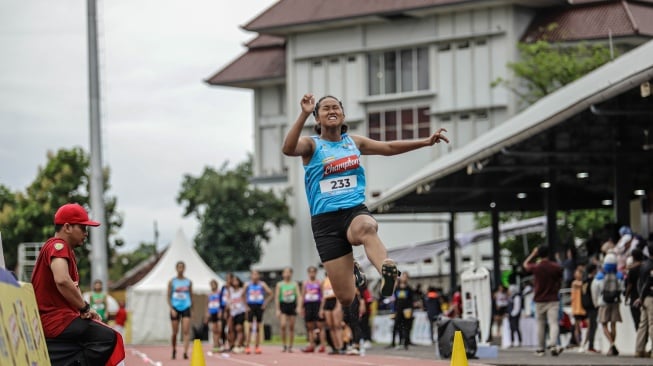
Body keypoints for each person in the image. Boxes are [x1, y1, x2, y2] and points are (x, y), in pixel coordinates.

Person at [282, 94, 449, 306]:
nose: (332, 111)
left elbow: (388, 148)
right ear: (317, 118)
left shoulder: (354, 142)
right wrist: (303, 114)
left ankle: (386, 273)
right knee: (346, 297)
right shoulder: (311, 145)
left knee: (368, 227)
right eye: (325, 108)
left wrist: (425, 142)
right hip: (325, 222)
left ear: (343, 115)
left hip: (354, 211)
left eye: (336, 108)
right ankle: (353, 269)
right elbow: (288, 149)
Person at [31, 203, 118, 365]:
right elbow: (62, 280)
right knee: (107, 337)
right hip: (55, 321)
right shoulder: (58, 246)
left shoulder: (62, 249)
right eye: (83, 228)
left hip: (59, 320)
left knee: (98, 334)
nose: (86, 233)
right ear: (67, 227)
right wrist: (84, 307)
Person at [523, 245, 563, 356]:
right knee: (553, 323)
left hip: (539, 299)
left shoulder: (537, 267)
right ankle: (553, 344)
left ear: (539, 255)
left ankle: (541, 349)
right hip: (552, 299)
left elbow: (525, 265)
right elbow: (560, 277)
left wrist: (533, 254)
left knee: (540, 324)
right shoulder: (555, 267)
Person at [592, 251, 623, 356]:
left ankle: (612, 344)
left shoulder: (600, 276)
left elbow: (595, 290)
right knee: (613, 324)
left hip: (603, 302)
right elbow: (622, 288)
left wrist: (595, 302)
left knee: (604, 324)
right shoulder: (619, 275)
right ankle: (611, 347)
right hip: (615, 302)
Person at [167, 261, 192, 360]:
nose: (181, 269)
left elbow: (191, 295)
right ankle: (174, 349)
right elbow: (168, 296)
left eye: (182, 267)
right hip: (175, 308)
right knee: (175, 332)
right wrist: (172, 308)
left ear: (184, 269)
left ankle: (185, 352)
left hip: (186, 307)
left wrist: (192, 308)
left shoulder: (188, 282)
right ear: (176, 269)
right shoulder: (172, 281)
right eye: (179, 267)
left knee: (186, 331)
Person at [244, 270, 273, 355]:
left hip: (259, 307)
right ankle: (247, 346)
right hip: (251, 307)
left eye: (257, 274)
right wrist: (246, 306)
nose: (255, 276)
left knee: (258, 327)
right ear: (251, 276)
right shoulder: (247, 284)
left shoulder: (262, 284)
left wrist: (265, 304)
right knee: (249, 327)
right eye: (253, 274)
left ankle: (257, 347)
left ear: (259, 276)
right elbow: (242, 295)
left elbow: (271, 294)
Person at [301, 266, 327, 353]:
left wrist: (321, 309)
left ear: (316, 273)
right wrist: (301, 308)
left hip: (317, 305)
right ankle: (311, 345)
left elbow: (323, 296)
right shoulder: (305, 283)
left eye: (313, 272)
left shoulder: (319, 283)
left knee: (320, 327)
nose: (312, 274)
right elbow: (303, 296)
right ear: (308, 273)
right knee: (310, 327)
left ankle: (323, 345)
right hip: (308, 305)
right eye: (310, 272)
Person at [275, 267, 301, 352]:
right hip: (283, 305)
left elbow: (299, 296)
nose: (287, 274)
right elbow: (277, 297)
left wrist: (299, 307)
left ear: (291, 274)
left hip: (292, 305)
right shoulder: (280, 284)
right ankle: (284, 345)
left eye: (289, 272)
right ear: (283, 274)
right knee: (283, 325)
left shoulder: (294, 284)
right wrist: (278, 309)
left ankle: (290, 346)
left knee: (291, 326)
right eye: (285, 272)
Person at [634, 241, 653, 358]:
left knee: (643, 324)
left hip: (644, 298)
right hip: (650, 297)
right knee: (652, 323)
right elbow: (648, 283)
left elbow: (639, 282)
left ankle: (639, 349)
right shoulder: (651, 266)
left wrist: (640, 297)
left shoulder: (643, 265)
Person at [320, 273, 344, 354]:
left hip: (335, 301)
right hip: (327, 302)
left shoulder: (336, 279)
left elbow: (339, 293)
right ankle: (335, 347)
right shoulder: (324, 281)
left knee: (337, 325)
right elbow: (323, 296)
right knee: (330, 326)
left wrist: (338, 306)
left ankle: (341, 346)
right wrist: (321, 309)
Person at [390, 272, 414, 350]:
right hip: (398, 309)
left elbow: (411, 300)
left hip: (406, 310)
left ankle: (405, 343)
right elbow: (394, 300)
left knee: (406, 327)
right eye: (403, 276)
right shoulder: (397, 288)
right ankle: (394, 343)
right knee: (396, 326)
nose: (404, 278)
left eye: (406, 277)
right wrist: (394, 310)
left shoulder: (409, 289)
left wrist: (410, 310)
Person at [581, 263, 599, 353]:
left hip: (586, 305)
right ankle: (590, 346)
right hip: (592, 306)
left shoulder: (584, 281)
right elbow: (594, 294)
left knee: (590, 326)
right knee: (592, 326)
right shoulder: (593, 281)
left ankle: (587, 344)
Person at [626, 249, 645, 330]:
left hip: (634, 297)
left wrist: (626, 296)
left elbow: (629, 285)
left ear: (633, 257)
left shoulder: (632, 270)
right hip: (645, 295)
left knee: (637, 320)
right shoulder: (646, 267)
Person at [229, 276, 246, 353]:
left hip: (241, 311)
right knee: (232, 329)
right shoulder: (231, 291)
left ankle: (238, 344)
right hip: (233, 313)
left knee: (239, 328)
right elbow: (229, 300)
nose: (235, 282)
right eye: (233, 280)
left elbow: (245, 299)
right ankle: (236, 344)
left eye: (237, 280)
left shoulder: (242, 290)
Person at [570, 267, 586, 348]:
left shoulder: (582, 283)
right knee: (577, 326)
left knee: (584, 326)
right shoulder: (575, 283)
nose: (577, 275)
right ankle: (578, 343)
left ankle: (584, 342)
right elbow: (581, 284)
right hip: (576, 308)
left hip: (582, 307)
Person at [206, 279, 223, 353]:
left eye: (214, 284)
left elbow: (222, 303)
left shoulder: (219, 293)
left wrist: (221, 311)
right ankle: (215, 344)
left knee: (219, 329)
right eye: (211, 284)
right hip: (212, 312)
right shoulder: (209, 294)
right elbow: (207, 304)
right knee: (214, 329)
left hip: (218, 312)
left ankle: (219, 342)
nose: (213, 286)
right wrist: (207, 313)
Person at [220, 272, 234, 351]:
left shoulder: (233, 288)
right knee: (223, 328)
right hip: (224, 309)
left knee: (230, 328)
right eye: (227, 278)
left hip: (232, 310)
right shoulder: (223, 288)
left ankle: (231, 344)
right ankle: (223, 343)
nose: (228, 280)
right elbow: (221, 299)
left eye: (229, 278)